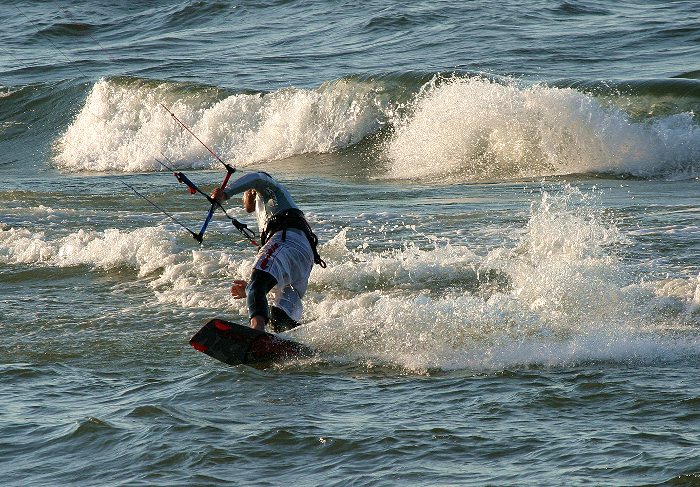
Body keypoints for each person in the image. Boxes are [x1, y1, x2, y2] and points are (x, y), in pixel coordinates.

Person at [211, 171, 325, 333]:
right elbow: (271, 271)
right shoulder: (269, 210)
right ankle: (309, 345)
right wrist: (252, 289)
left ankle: (256, 332)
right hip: (302, 258)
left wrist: (225, 193)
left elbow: (257, 177)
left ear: (251, 190)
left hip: (287, 240)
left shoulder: (270, 191)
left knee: (257, 283)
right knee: (279, 319)